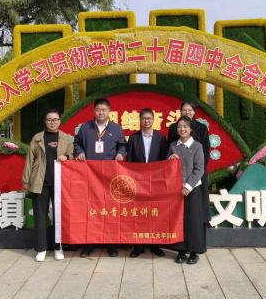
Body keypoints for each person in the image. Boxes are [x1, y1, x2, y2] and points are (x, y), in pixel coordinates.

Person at [74, 98, 127, 258]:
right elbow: (77, 143)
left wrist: (121, 153)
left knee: (110, 210)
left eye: (104, 110)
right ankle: (88, 245)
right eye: (98, 109)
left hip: (109, 177)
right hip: (90, 176)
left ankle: (111, 245)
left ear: (109, 111)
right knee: (90, 210)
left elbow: (123, 145)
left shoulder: (116, 129)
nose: (101, 112)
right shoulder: (85, 128)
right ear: (94, 111)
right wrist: (79, 152)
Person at [22, 109, 74, 262]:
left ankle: (58, 248)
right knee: (40, 217)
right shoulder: (37, 138)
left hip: (60, 183)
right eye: (49, 119)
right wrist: (26, 181)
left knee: (59, 217)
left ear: (60, 121)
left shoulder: (65, 138)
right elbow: (29, 160)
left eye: (55, 119)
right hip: (40, 182)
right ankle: (41, 249)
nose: (52, 122)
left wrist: (66, 156)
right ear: (45, 121)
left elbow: (73, 154)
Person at [126, 108, 168, 258]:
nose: (147, 121)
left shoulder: (161, 138)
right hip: (138, 183)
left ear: (153, 120)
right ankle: (139, 246)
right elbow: (129, 162)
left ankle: (156, 245)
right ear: (140, 120)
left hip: (156, 182)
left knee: (155, 213)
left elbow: (164, 162)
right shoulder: (133, 138)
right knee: (139, 214)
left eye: (149, 118)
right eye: (144, 118)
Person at [167, 101, 211, 232]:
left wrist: (197, 170)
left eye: (190, 110)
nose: (187, 112)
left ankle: (198, 236)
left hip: (197, 173)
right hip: (179, 175)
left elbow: (205, 150)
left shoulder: (202, 128)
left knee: (197, 208)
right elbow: (170, 148)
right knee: (179, 211)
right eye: (184, 110)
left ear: (194, 112)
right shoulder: (174, 127)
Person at [167, 116, 205, 264]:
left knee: (193, 221)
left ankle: (194, 252)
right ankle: (181, 250)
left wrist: (188, 186)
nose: (182, 129)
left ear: (191, 129)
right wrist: (170, 158)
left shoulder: (197, 146)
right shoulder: (173, 146)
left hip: (192, 189)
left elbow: (199, 169)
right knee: (179, 220)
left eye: (185, 127)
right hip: (176, 190)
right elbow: (166, 166)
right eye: (179, 126)